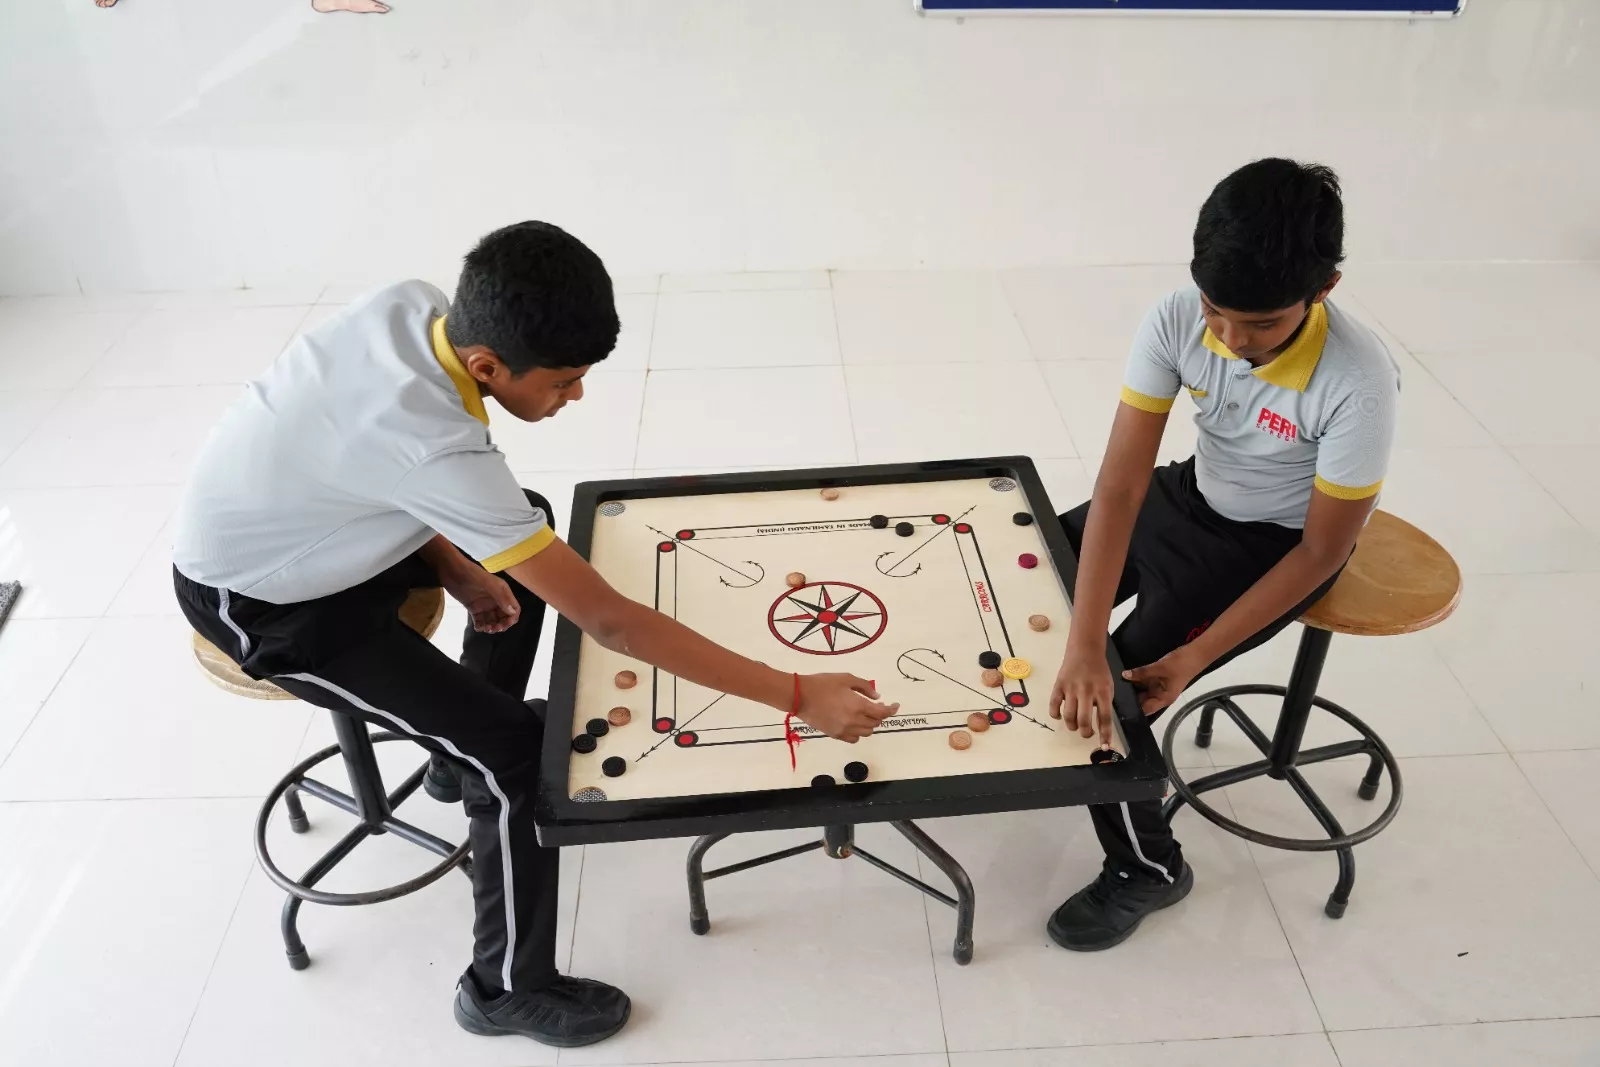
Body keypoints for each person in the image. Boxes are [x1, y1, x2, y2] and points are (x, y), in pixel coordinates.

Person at [172, 221, 898, 1046]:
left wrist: (456, 563)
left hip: (318, 528)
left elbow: (377, 466)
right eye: (565, 381)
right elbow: (613, 621)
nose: (574, 397)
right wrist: (799, 695)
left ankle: (456, 762)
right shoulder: (432, 444)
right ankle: (502, 988)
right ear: (487, 365)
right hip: (266, 603)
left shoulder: (414, 309)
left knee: (529, 532)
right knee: (520, 754)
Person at [1044, 159, 1399, 951]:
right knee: (1025, 565)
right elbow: (1122, 486)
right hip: (1185, 495)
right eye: (1216, 313)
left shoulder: (1359, 381)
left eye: (1262, 324)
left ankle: (1150, 869)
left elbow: (1320, 549)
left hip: (1271, 548)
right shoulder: (1175, 318)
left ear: (1325, 288)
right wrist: (1079, 638)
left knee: (1122, 703)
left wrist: (1193, 654)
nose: (1233, 342)